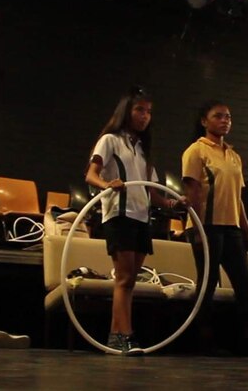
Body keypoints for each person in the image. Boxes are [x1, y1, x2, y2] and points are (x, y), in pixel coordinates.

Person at [85, 86, 182, 354]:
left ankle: (116, 335)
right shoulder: (110, 140)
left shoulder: (142, 148)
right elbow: (91, 175)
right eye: (140, 109)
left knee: (129, 281)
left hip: (141, 218)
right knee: (124, 279)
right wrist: (108, 183)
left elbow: (152, 193)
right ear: (127, 111)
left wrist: (173, 202)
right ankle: (124, 334)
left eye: (149, 112)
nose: (145, 116)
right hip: (119, 215)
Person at [181, 100, 248, 357]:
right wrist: (197, 230)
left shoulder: (233, 155)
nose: (225, 121)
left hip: (231, 228)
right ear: (204, 121)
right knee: (208, 284)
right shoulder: (196, 151)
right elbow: (193, 192)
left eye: (228, 117)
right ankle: (203, 340)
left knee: (245, 285)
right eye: (218, 116)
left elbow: (237, 198)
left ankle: (247, 340)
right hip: (206, 226)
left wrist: (247, 231)